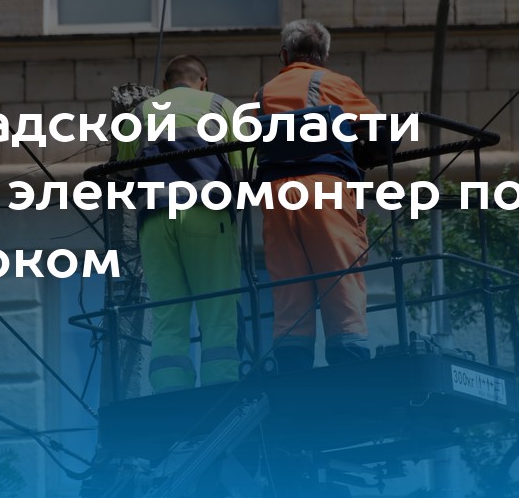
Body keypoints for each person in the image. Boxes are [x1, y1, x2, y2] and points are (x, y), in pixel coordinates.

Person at [116, 55, 244, 393]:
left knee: (167, 315)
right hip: (206, 213)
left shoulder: (139, 113)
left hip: (155, 222)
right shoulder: (220, 106)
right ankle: (221, 387)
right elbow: (246, 169)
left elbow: (123, 172)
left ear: (164, 86)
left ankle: (169, 390)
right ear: (204, 81)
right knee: (218, 311)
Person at [254, 19, 376, 373]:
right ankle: (350, 367)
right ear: (324, 55)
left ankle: (292, 373)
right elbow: (380, 132)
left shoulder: (263, 93)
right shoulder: (338, 83)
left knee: (290, 289)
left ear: (284, 54)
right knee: (341, 280)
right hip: (325, 191)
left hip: (277, 197)